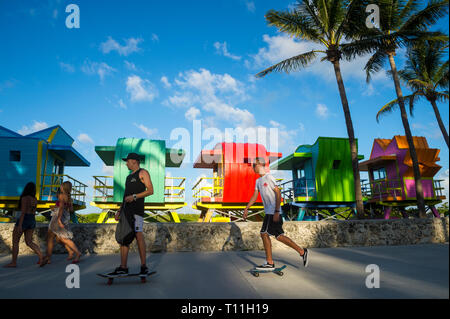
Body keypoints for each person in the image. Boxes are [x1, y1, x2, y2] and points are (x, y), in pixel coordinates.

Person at [244, 158, 309, 269]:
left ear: (259, 164)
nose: (252, 167)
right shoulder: (258, 181)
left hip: (273, 211)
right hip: (270, 212)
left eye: (253, 165)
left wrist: (277, 211)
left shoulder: (269, 177)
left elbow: (278, 193)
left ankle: (270, 262)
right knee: (279, 236)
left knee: (264, 234)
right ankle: (302, 252)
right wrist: (247, 208)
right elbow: (255, 196)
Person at [109, 152, 154, 276]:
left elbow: (150, 190)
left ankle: (144, 266)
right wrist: (119, 210)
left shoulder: (143, 172)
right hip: (126, 212)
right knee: (124, 238)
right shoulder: (128, 177)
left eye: (127, 161)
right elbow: (125, 196)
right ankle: (123, 267)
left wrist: (134, 197)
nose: (126, 163)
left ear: (134, 161)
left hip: (137, 212)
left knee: (139, 235)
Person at [40, 181, 81, 266]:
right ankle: (70, 252)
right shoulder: (69, 197)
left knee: (51, 237)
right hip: (65, 217)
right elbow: (71, 210)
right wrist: (56, 207)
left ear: (64, 187)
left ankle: (48, 258)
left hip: (58, 218)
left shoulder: (61, 196)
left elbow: (61, 208)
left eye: (61, 186)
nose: (60, 187)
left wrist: (58, 220)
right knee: (60, 238)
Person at [4, 182, 43, 267]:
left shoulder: (25, 198)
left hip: (24, 219)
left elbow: (23, 212)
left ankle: (13, 262)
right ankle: (41, 257)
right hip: (32, 220)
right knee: (29, 242)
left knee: (15, 242)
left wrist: (20, 225)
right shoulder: (35, 199)